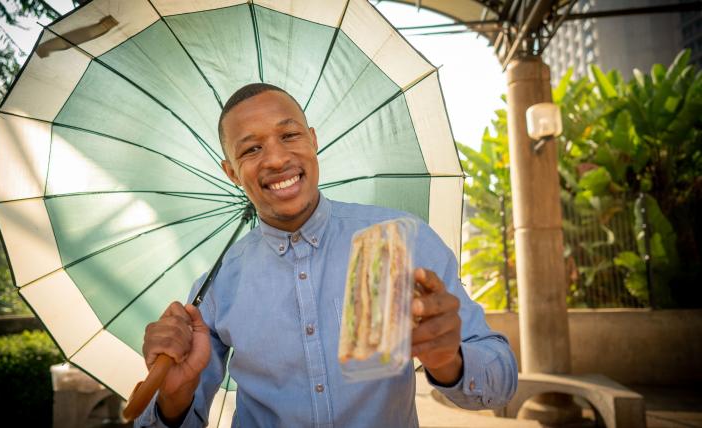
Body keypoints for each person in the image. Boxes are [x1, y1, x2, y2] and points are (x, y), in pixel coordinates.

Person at [135, 83, 517, 428]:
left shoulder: (403, 240)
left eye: (289, 135)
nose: (275, 159)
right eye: (251, 148)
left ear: (313, 140)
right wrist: (174, 397)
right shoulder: (215, 288)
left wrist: (450, 361)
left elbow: (502, 382)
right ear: (231, 172)